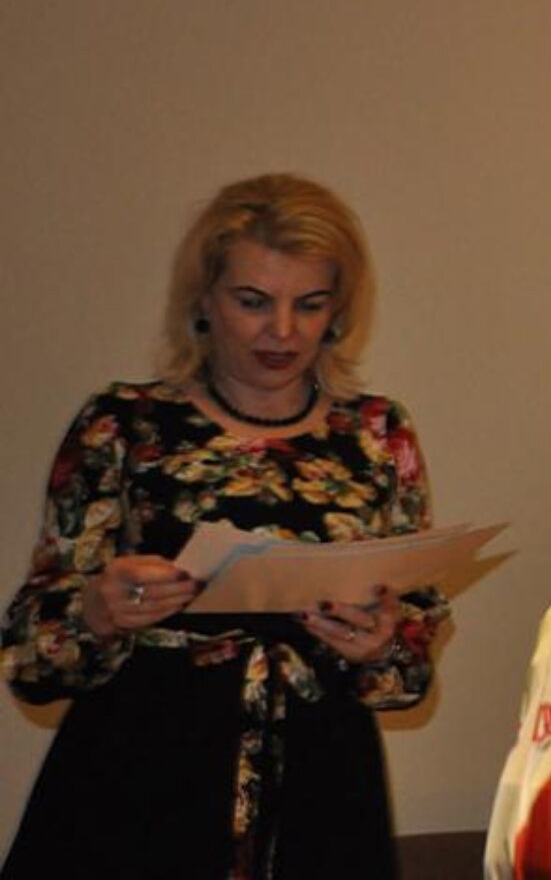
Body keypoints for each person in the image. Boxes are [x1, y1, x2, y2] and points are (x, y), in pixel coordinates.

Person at [1, 174, 447, 880]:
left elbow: (411, 666)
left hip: (320, 790)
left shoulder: (376, 434)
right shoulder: (124, 424)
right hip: (137, 787)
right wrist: (97, 609)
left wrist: (382, 643)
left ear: (338, 310)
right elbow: (30, 656)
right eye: (253, 301)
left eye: (310, 304)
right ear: (203, 301)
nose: (282, 331)